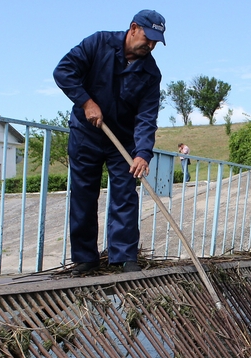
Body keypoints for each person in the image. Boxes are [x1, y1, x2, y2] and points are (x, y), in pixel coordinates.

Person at [53, 10, 166, 275]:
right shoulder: (98, 43)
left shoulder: (151, 73)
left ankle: (124, 258)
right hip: (87, 134)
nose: (150, 46)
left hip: (122, 141)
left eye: (155, 42)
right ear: (134, 28)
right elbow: (63, 71)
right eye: (148, 38)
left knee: (125, 195)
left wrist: (142, 153)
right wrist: (86, 102)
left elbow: (147, 116)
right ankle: (85, 259)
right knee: (83, 195)